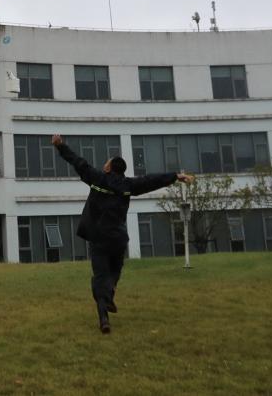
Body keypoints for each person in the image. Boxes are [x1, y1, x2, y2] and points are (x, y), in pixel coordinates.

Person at [51, 134, 194, 334]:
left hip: (98, 239)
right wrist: (175, 176)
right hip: (117, 239)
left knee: (100, 278)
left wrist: (60, 146)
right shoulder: (128, 185)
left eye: (106, 163)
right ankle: (108, 298)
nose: (104, 165)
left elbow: (78, 162)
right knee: (114, 273)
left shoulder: (98, 178)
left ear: (109, 168)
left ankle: (104, 317)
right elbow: (151, 180)